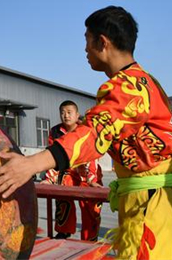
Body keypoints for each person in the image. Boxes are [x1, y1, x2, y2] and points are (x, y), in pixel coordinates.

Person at [0, 6, 172, 259]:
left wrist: (29, 165)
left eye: (87, 40)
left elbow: (93, 134)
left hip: (157, 210)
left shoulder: (128, 86)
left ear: (102, 42)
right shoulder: (148, 81)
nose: (85, 49)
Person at [44, 101, 103, 241]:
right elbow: (52, 157)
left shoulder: (86, 129)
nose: (66, 115)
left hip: (87, 170)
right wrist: (49, 178)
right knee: (61, 193)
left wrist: (92, 180)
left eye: (69, 112)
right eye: (63, 112)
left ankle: (90, 237)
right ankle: (63, 231)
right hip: (67, 171)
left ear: (77, 115)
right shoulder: (55, 132)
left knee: (91, 204)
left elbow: (92, 156)